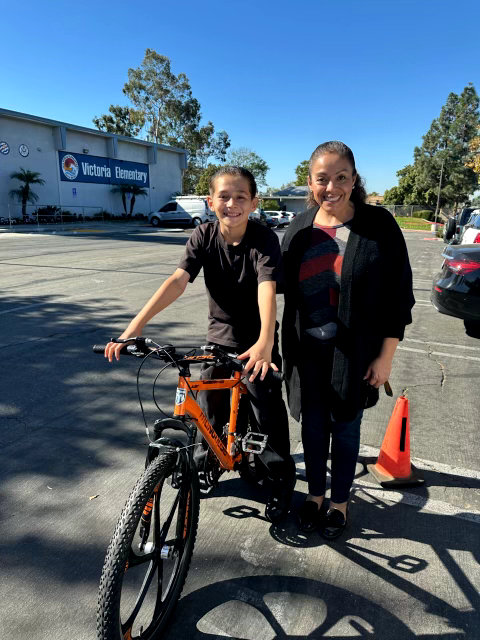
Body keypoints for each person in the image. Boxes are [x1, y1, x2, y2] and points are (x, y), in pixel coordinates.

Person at [104, 166, 296, 524]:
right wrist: (132, 329)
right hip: (218, 338)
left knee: (264, 405)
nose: (232, 203)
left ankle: (282, 478)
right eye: (223, 196)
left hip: (257, 340)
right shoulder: (203, 235)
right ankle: (209, 458)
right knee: (206, 405)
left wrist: (265, 343)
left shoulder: (263, 239)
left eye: (241, 197)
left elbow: (266, 289)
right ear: (211, 202)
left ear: (254, 202)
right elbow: (178, 281)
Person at [280, 142, 415, 539]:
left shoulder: (379, 226)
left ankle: (339, 502)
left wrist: (385, 356)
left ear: (354, 180)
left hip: (353, 356)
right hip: (306, 353)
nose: (332, 187)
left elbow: (399, 298)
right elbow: (275, 284)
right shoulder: (299, 228)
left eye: (342, 177)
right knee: (312, 428)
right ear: (310, 182)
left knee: (346, 429)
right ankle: (315, 496)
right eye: (322, 178)